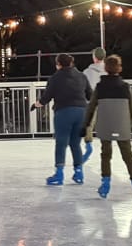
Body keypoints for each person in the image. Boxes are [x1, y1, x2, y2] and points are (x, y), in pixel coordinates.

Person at [82, 54, 132, 200]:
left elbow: (91, 107)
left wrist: (86, 124)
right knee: (128, 155)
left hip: (105, 124)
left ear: (106, 69)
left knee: (105, 154)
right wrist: (127, 123)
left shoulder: (100, 87)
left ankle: (105, 184)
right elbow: (131, 108)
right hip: (121, 124)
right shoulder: (125, 87)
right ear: (119, 68)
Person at [36, 53, 92, 186]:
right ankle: (79, 173)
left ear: (58, 64)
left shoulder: (55, 78)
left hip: (64, 112)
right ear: (71, 63)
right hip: (81, 112)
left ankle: (59, 174)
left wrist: (37, 104)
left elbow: (46, 97)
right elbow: (90, 94)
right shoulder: (81, 76)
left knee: (61, 143)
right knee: (75, 144)